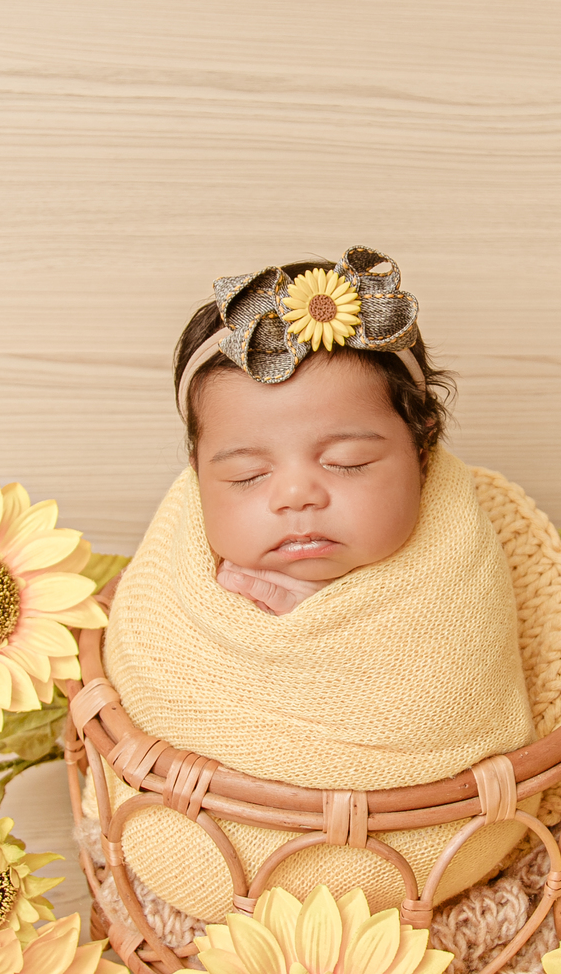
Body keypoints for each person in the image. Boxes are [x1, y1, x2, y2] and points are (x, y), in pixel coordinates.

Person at [97, 248, 537, 926]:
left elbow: (454, 692)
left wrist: (335, 629)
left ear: (422, 450)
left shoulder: (455, 562)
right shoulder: (188, 572)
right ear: (196, 474)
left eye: (348, 463)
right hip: (217, 833)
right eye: (246, 476)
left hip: (427, 841)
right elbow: (156, 679)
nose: (298, 493)